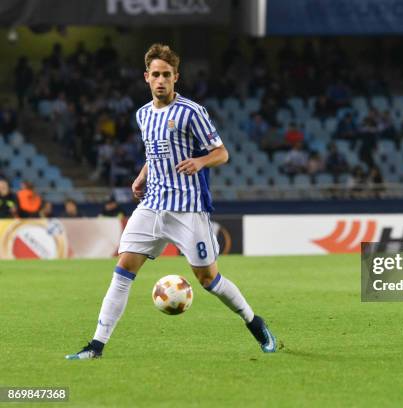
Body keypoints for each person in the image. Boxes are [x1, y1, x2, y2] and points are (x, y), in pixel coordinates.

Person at [66, 44, 277, 360]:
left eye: (167, 74)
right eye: (156, 74)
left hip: (188, 209)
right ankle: (96, 345)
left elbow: (222, 153)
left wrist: (200, 162)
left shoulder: (192, 112)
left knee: (208, 280)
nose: (161, 80)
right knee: (123, 268)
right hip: (151, 206)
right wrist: (142, 176)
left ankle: (254, 322)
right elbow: (155, 153)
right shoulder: (143, 115)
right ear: (146, 78)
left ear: (176, 77)